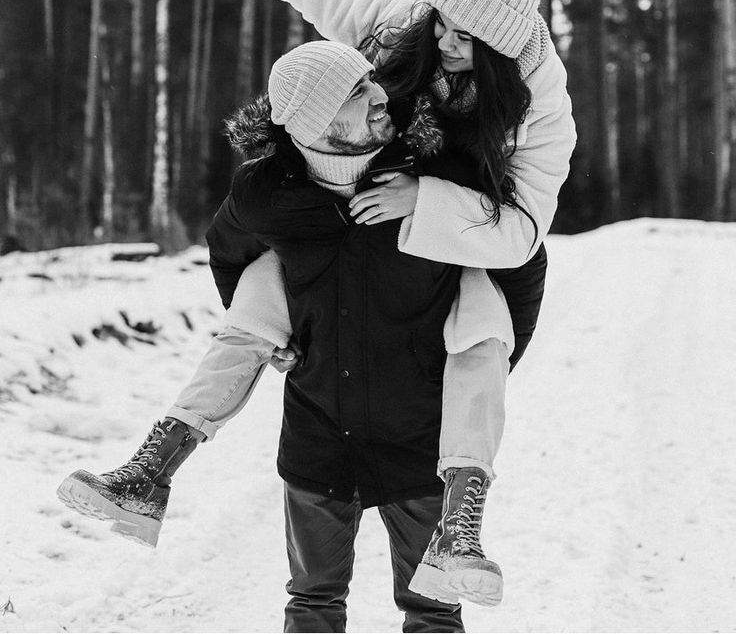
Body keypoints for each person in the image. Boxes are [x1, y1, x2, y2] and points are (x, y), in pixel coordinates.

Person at [61, 39, 511, 633]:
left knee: (432, 607)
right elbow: (228, 250)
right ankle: (151, 470)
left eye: (371, 80)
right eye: (357, 93)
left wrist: (429, 203)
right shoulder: (268, 191)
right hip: (320, 428)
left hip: (421, 435)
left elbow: (521, 252)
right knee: (313, 601)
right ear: (313, 124)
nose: (381, 96)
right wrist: (275, 337)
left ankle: (461, 519)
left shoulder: (433, 170)